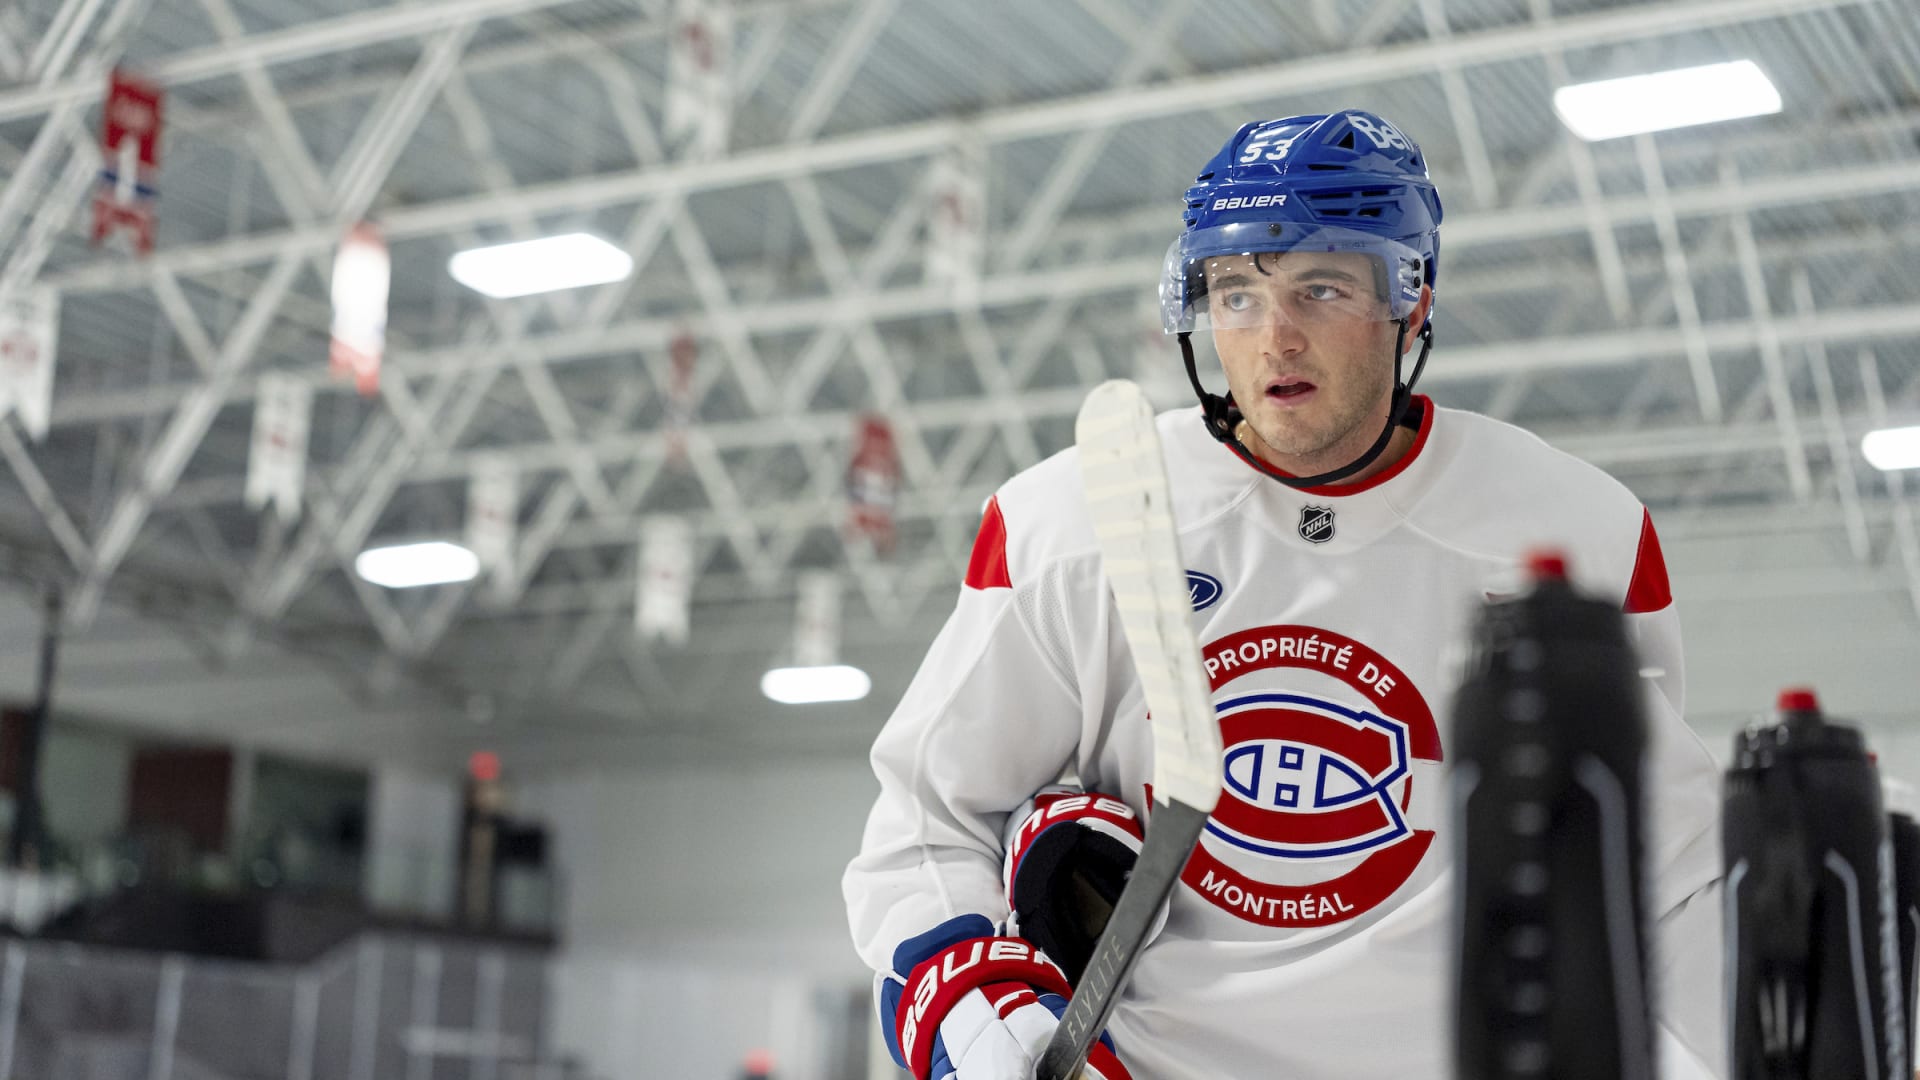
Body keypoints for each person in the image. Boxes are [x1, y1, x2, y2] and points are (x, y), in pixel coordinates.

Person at [843, 110, 1724, 1079]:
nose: (1276, 338)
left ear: (1411, 305)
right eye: (1237, 293)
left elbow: (1665, 875)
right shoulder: (1073, 522)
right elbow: (929, 820)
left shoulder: (1578, 533)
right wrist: (977, 1016)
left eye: (1322, 289)